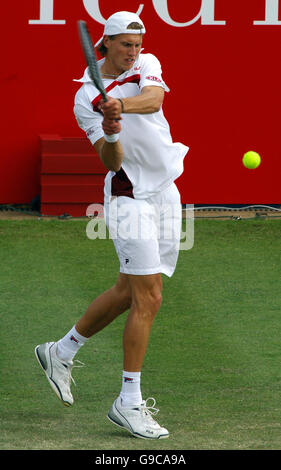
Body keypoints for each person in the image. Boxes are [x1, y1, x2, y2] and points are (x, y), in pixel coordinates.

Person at [35, 11, 189, 440]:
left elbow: (155, 99)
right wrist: (111, 129)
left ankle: (60, 351)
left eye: (138, 45)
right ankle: (129, 401)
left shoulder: (146, 65)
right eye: (126, 45)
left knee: (128, 291)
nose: (133, 53)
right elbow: (110, 160)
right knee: (149, 296)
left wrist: (121, 105)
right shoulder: (85, 97)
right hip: (128, 197)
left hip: (166, 191)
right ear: (105, 44)